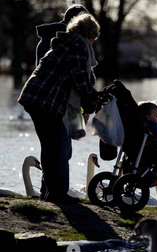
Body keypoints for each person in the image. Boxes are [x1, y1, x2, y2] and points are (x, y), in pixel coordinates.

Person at [18, 13, 100, 204]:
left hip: (35, 96)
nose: (94, 43)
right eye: (94, 38)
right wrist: (93, 99)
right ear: (89, 34)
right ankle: (56, 193)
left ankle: (52, 193)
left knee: (51, 146)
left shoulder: (66, 43)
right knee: (56, 146)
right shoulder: (78, 45)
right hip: (44, 100)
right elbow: (80, 78)